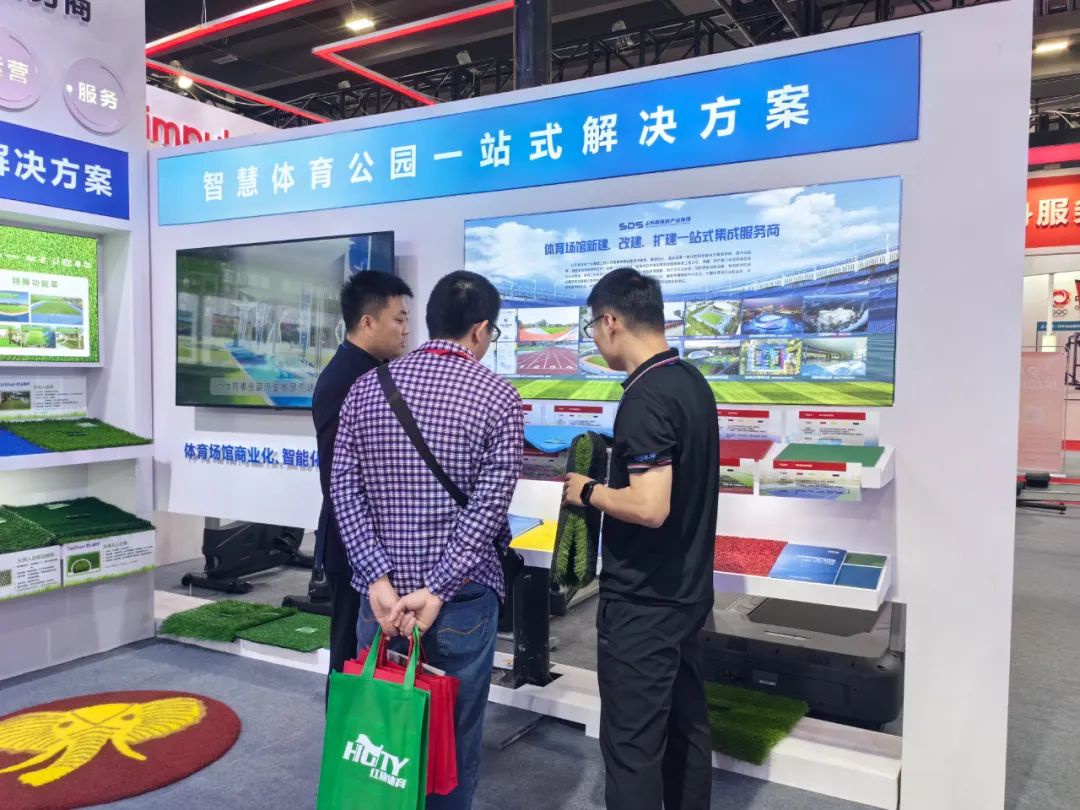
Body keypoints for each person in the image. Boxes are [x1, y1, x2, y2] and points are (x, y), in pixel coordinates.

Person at [331, 270, 523, 810]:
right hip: (459, 600)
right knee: (453, 741)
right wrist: (436, 590)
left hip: (382, 602)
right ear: (481, 330)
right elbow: (489, 509)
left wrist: (376, 579)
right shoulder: (500, 397)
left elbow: (343, 488)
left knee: (379, 735)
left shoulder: (366, 389)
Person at [564, 267, 720, 810]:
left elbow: (650, 507)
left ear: (610, 321)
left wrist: (588, 492)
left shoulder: (646, 397)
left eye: (592, 327)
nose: (594, 338)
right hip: (686, 593)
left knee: (632, 749)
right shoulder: (690, 380)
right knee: (685, 733)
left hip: (644, 604)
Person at [312, 270, 412, 686]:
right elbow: (340, 481)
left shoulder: (371, 370)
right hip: (354, 544)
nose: (406, 330)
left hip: (370, 544)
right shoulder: (350, 380)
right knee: (351, 654)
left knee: (371, 654)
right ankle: (345, 725)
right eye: (399, 319)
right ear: (367, 322)